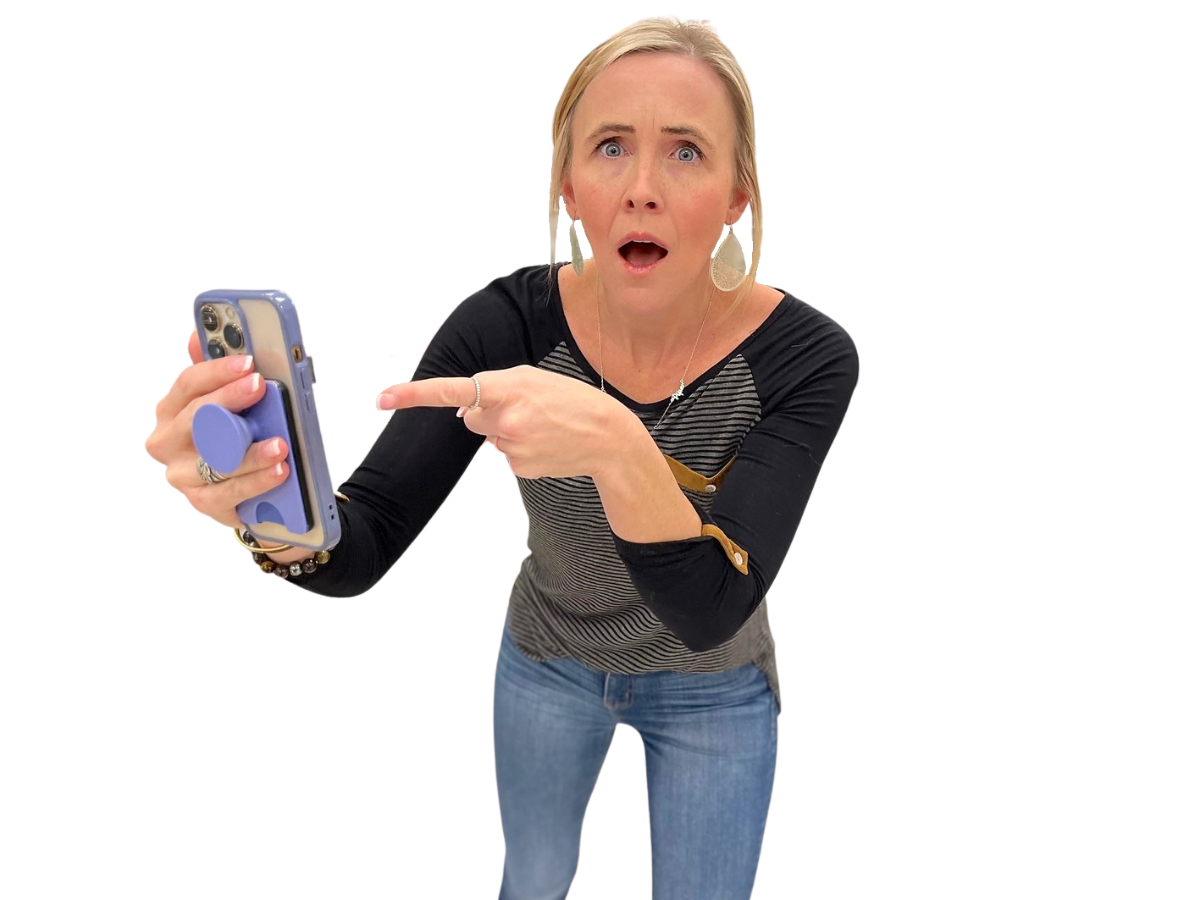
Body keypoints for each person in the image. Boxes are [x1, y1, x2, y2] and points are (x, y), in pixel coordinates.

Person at [147, 17, 858, 900]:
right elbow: (363, 543)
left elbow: (710, 607)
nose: (641, 188)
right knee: (533, 880)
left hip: (714, 685)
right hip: (548, 659)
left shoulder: (809, 358)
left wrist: (609, 439)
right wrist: (271, 514)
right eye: (609, 147)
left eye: (685, 153)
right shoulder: (508, 325)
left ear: (736, 194)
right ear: (568, 184)